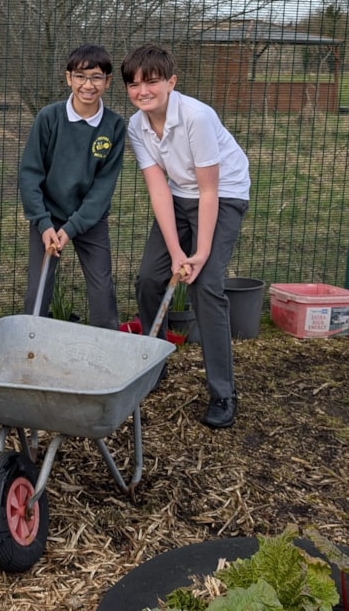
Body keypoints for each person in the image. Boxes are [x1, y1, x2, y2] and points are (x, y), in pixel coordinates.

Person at [121, 44, 250, 428]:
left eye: (152, 81)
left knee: (206, 284)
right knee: (148, 278)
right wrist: (176, 250)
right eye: (134, 84)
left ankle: (223, 392)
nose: (143, 90)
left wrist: (201, 251)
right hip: (178, 196)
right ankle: (154, 364)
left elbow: (209, 190)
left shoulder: (196, 116)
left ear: (171, 82)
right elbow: (158, 190)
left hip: (223, 194)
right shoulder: (136, 126)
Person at [18, 44, 126, 328]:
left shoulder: (114, 126)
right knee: (38, 288)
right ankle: (32, 348)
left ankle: (107, 348)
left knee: (102, 287)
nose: (88, 85)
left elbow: (103, 186)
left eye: (96, 77)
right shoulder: (49, 118)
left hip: (89, 219)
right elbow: (29, 174)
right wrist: (43, 223)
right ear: (68, 78)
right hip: (48, 217)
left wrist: (73, 227)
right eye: (80, 76)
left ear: (108, 81)